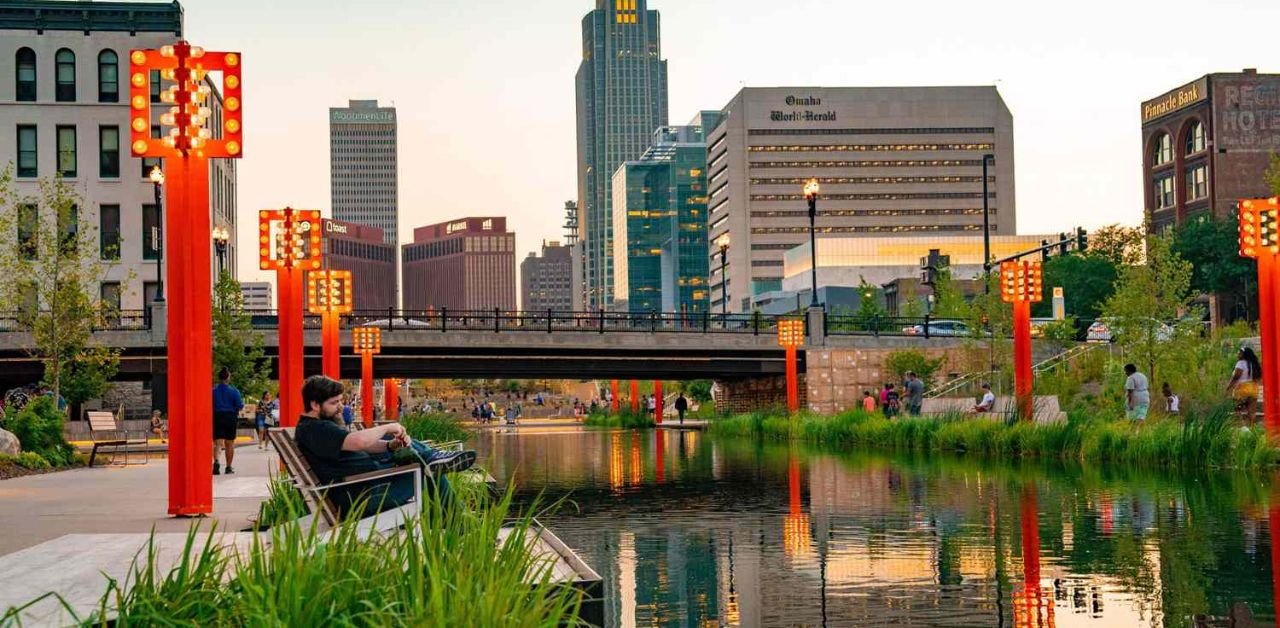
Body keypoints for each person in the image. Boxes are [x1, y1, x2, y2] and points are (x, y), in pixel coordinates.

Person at [294, 376, 477, 515]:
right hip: (361, 496)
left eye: (340, 401)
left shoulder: (318, 427)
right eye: (335, 403)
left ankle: (433, 458)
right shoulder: (316, 429)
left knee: (423, 462)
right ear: (315, 405)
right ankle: (462, 524)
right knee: (429, 471)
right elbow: (358, 442)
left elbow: (363, 446)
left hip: (365, 486)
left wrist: (390, 445)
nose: (341, 407)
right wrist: (389, 426)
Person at [212, 367, 244, 475]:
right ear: (227, 378)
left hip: (217, 416)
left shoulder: (213, 391)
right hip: (230, 417)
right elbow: (239, 405)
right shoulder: (234, 391)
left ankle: (216, 461)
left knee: (217, 442)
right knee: (229, 443)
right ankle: (228, 467)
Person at [1229, 347, 1261, 421]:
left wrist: (1229, 387)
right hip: (1253, 388)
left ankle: (1241, 426)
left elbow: (1236, 377)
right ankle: (1252, 428)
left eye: (1240, 352)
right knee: (1251, 411)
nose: (1238, 353)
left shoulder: (1240, 363)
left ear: (1244, 354)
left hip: (1242, 388)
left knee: (1238, 409)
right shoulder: (1254, 364)